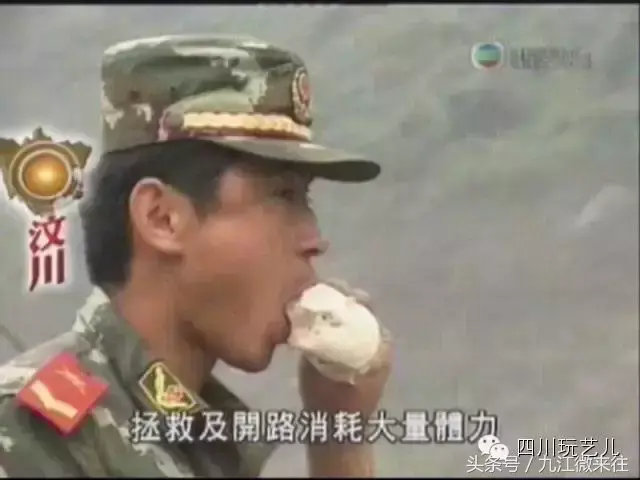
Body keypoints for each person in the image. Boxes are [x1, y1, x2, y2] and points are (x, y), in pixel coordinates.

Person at [0, 34, 391, 477]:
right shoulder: (31, 435)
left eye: (307, 200)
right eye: (283, 195)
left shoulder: (193, 439)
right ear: (162, 218)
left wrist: (340, 435)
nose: (314, 239)